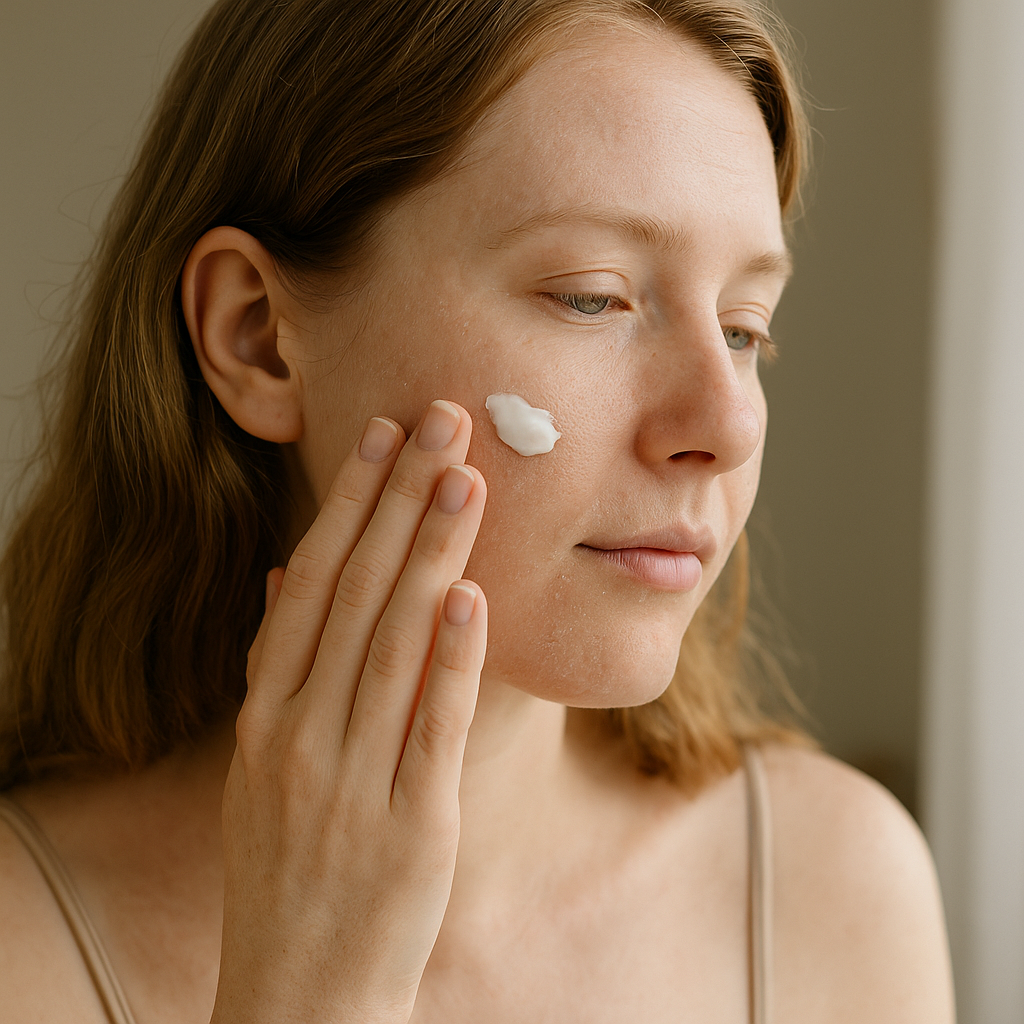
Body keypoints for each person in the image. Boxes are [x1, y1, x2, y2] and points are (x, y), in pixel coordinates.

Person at [0, 1, 955, 1021]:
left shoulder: (835, 887)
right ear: (257, 338)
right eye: (593, 296)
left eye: (743, 327)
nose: (727, 424)